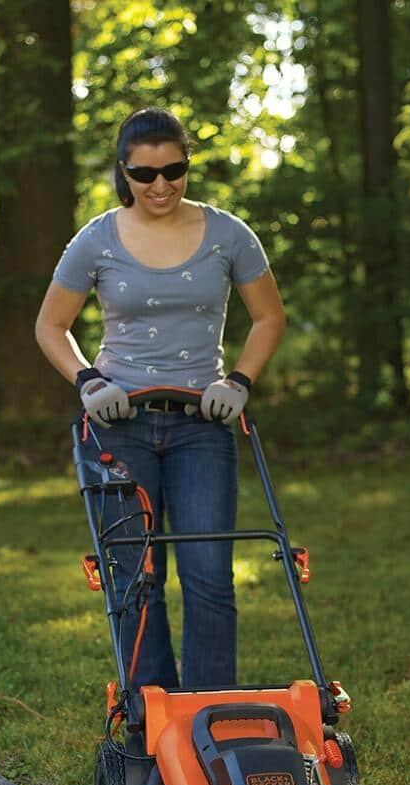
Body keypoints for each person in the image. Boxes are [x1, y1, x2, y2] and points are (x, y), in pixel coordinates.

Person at [35, 107, 286, 691]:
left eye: (174, 170)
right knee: (135, 580)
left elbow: (270, 317)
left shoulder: (228, 234)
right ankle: (151, 719)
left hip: (202, 425)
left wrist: (240, 382)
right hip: (119, 425)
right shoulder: (96, 239)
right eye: (144, 174)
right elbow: (51, 326)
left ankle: (207, 714)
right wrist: (87, 381)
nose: (161, 185)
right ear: (123, 172)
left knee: (209, 578)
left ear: (187, 166)